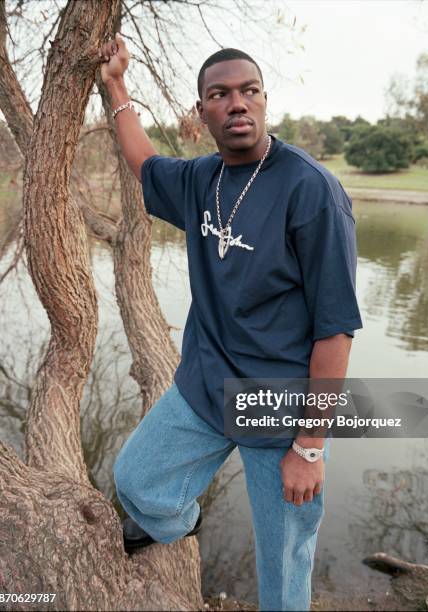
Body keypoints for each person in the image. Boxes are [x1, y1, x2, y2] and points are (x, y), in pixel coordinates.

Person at [98, 32, 363, 612]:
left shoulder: (311, 191)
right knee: (136, 479)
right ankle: (181, 524)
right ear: (202, 112)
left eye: (249, 91)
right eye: (220, 94)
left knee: (283, 570)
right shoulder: (200, 181)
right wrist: (115, 83)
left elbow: (335, 330)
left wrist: (310, 446)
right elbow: (143, 162)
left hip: (281, 405)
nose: (236, 103)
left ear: (265, 101)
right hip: (207, 385)